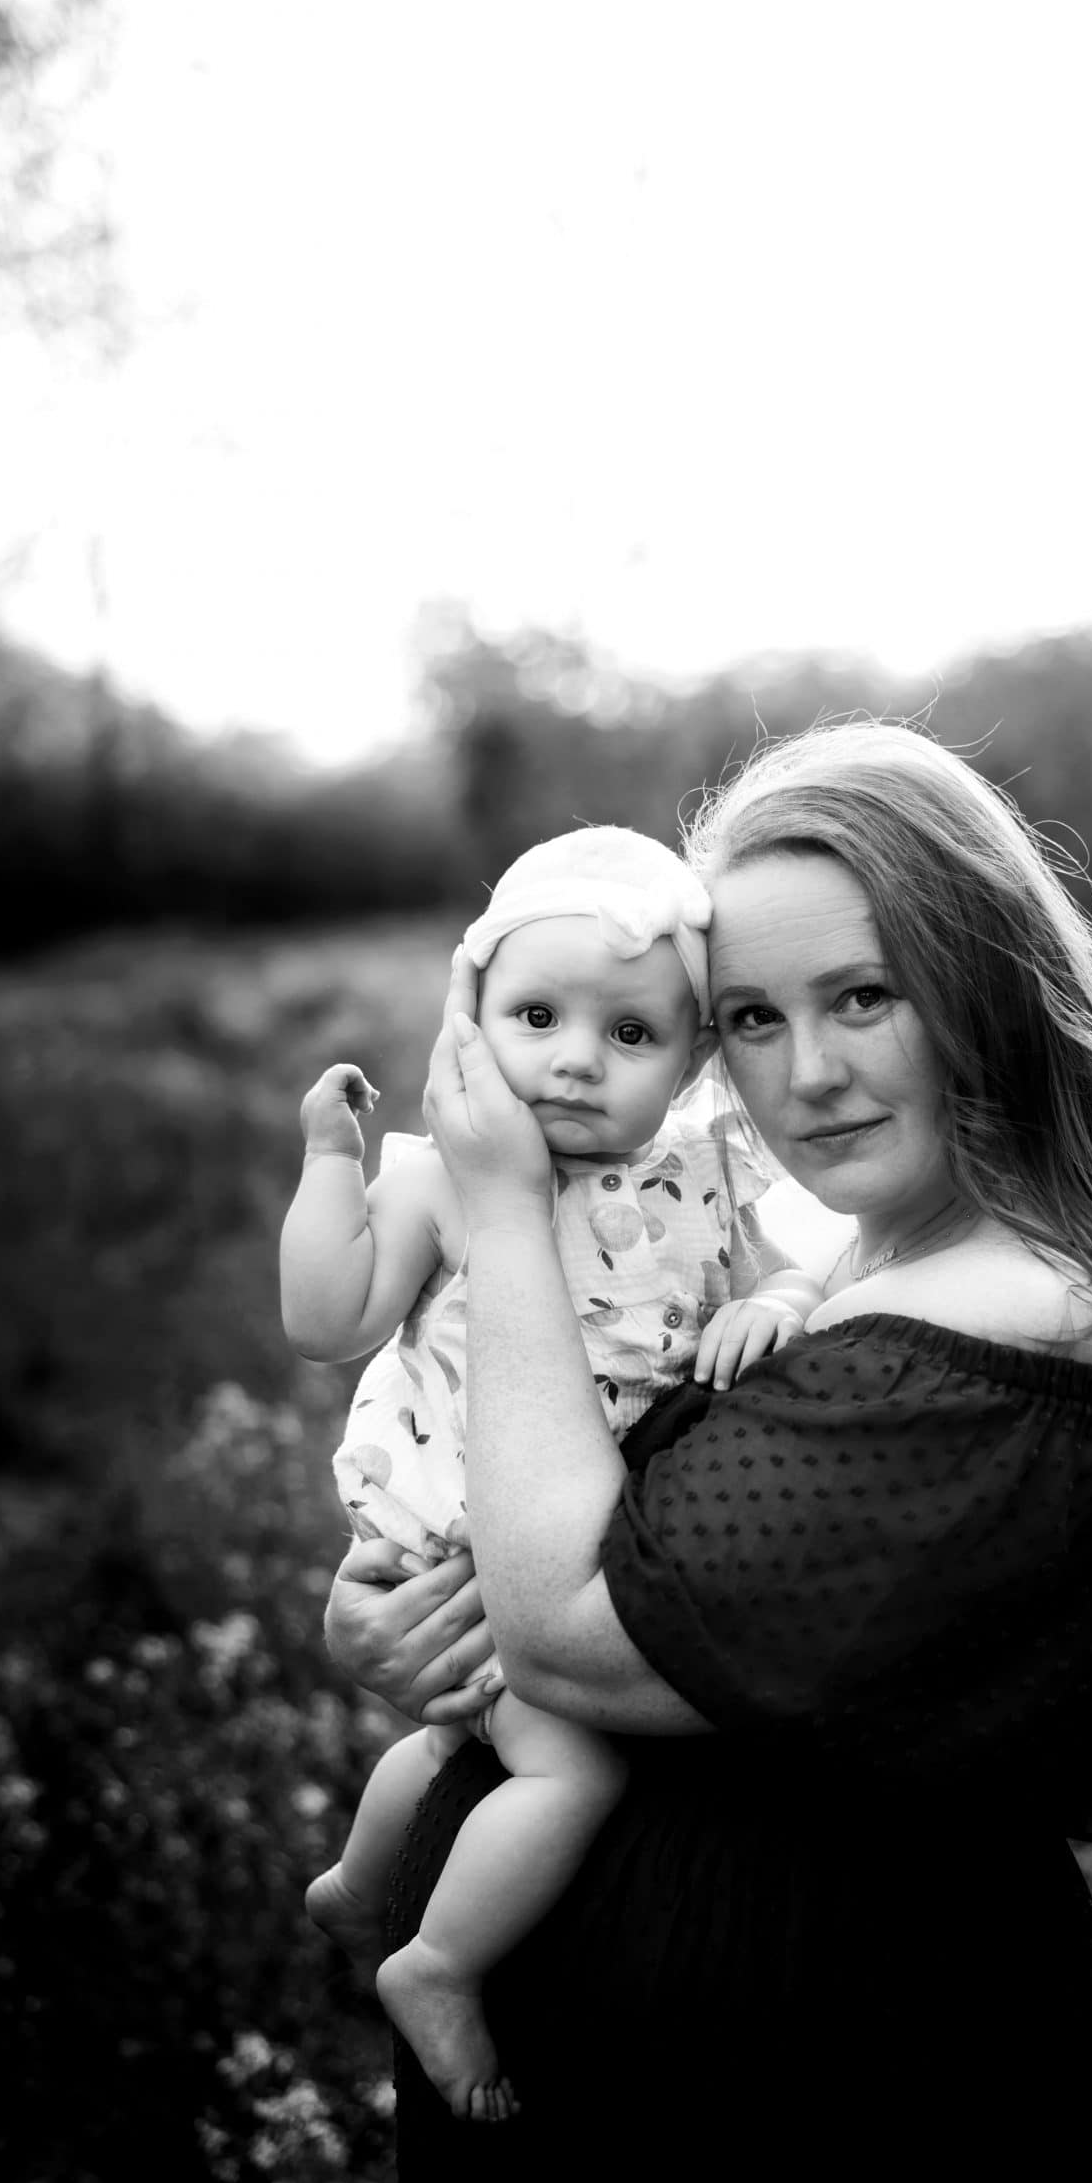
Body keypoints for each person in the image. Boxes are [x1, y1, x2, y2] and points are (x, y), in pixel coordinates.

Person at [321, 723, 1092, 2183]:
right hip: (635, 2102)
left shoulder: (1016, 1323)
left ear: (985, 986)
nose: (808, 1074)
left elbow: (577, 1633)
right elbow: (538, 1525)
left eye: (865, 997)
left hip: (826, 2129)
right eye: (751, 1020)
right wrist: (380, 1624)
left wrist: (511, 1220)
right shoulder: (843, 1268)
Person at [281, 825, 820, 2117]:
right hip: (453, 1536)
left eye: (630, 1036)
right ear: (473, 1020)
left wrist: (782, 1303)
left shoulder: (706, 1176)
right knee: (573, 1768)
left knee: (459, 1735)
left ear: (693, 1060)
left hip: (572, 1544)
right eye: (537, 1017)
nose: (576, 1057)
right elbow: (326, 1319)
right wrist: (330, 1168)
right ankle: (437, 1962)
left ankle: (362, 1884)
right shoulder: (439, 1179)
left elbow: (787, 1272)